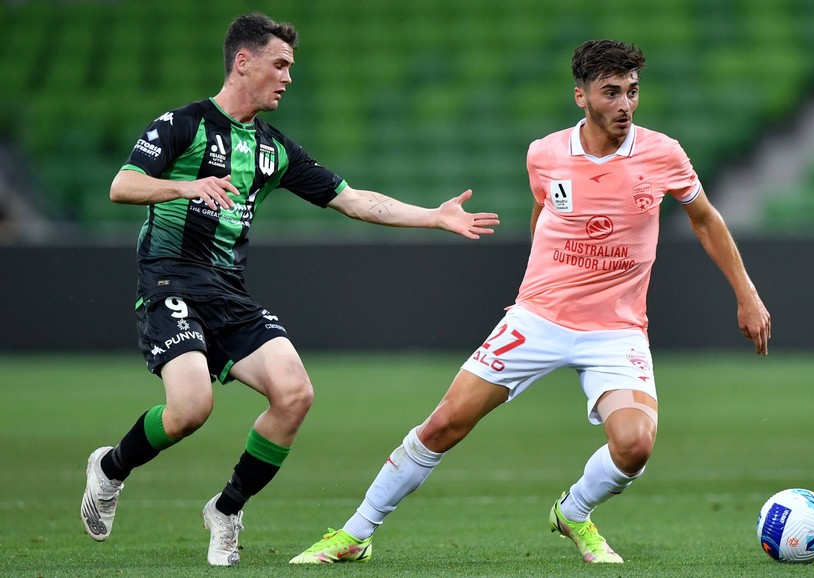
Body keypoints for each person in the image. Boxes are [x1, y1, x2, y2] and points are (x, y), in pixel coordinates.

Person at [290, 39, 771, 566]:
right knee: (445, 424)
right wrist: (535, 289)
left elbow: (705, 220)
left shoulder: (663, 154)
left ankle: (574, 512)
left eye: (632, 91)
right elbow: (544, 213)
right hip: (538, 319)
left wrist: (747, 295)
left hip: (616, 330)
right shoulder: (545, 154)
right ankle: (356, 534)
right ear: (581, 96)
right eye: (611, 92)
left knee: (635, 445)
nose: (625, 105)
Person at [79, 12, 499, 568]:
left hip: (228, 291)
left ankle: (226, 509)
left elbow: (353, 200)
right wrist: (186, 186)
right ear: (242, 62)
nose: (288, 77)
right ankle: (110, 468)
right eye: (279, 65)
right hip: (169, 279)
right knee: (191, 409)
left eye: (290, 67)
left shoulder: (273, 148)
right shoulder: (183, 124)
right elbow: (122, 185)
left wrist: (433, 217)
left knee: (295, 393)